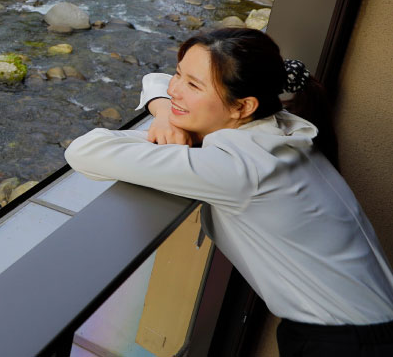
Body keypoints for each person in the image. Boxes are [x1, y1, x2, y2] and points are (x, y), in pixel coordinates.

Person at [64, 28, 393, 356]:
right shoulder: (274, 124)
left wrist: (170, 119)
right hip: (362, 327)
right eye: (179, 74)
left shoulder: (240, 168)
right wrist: (167, 113)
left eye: (193, 85)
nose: (175, 88)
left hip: (346, 343)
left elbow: (84, 151)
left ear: (243, 106)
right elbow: (156, 80)